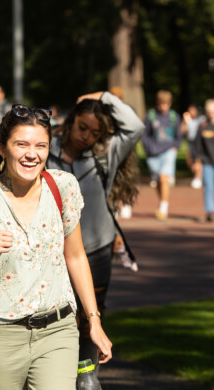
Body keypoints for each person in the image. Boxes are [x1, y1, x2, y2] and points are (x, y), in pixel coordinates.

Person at [0, 105, 112, 389]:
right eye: (21, 144)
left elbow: (75, 257)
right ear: (2, 148)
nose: (31, 154)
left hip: (57, 331)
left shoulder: (63, 187)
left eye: (41, 145)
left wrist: (93, 320)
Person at [47, 91, 143, 364]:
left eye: (94, 132)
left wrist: (105, 96)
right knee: (57, 313)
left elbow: (136, 127)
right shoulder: (45, 151)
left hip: (97, 248)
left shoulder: (105, 154)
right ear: (70, 121)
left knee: (92, 313)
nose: (86, 136)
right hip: (54, 250)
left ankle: (86, 372)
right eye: (82, 127)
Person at [142, 90, 182, 221]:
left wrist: (176, 147)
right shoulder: (151, 115)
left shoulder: (174, 117)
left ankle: (164, 207)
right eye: (160, 104)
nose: (163, 107)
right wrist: (147, 148)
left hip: (168, 151)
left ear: (169, 104)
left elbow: (178, 135)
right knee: (158, 180)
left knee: (164, 178)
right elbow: (145, 133)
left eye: (165, 104)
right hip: (153, 152)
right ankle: (162, 202)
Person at [182, 104, 205, 189]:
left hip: (199, 142)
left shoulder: (201, 119)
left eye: (193, 110)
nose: (191, 112)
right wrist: (184, 121)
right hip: (190, 142)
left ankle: (198, 177)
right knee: (190, 160)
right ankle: (197, 175)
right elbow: (183, 131)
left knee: (198, 159)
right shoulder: (188, 120)